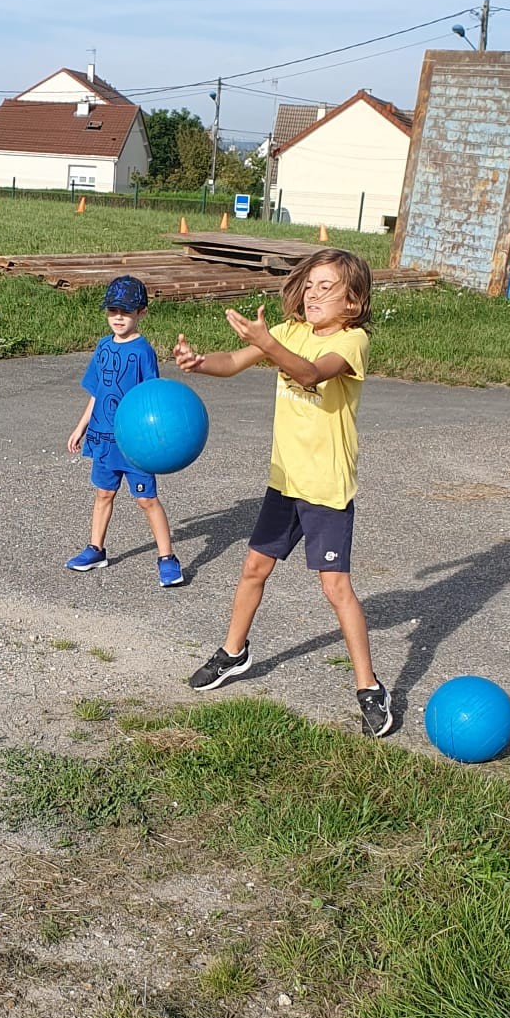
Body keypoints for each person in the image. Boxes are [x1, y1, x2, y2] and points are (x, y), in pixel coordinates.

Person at [173, 247, 395, 737]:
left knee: (335, 587)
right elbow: (233, 361)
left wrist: (266, 342)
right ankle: (234, 653)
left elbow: (311, 373)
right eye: (310, 285)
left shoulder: (352, 341)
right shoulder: (291, 332)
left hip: (325, 489)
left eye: (327, 287)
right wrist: (198, 362)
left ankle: (368, 688)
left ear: (353, 301)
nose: (314, 294)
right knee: (254, 567)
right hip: (285, 482)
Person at [66, 275, 184, 587]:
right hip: (103, 438)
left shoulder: (143, 351)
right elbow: (97, 392)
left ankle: (167, 558)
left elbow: (151, 399)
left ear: (141, 313)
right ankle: (96, 549)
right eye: (113, 310)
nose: (118, 317)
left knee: (146, 500)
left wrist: (155, 439)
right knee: (103, 493)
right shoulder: (103, 347)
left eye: (126, 311)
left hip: (134, 443)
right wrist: (81, 427)